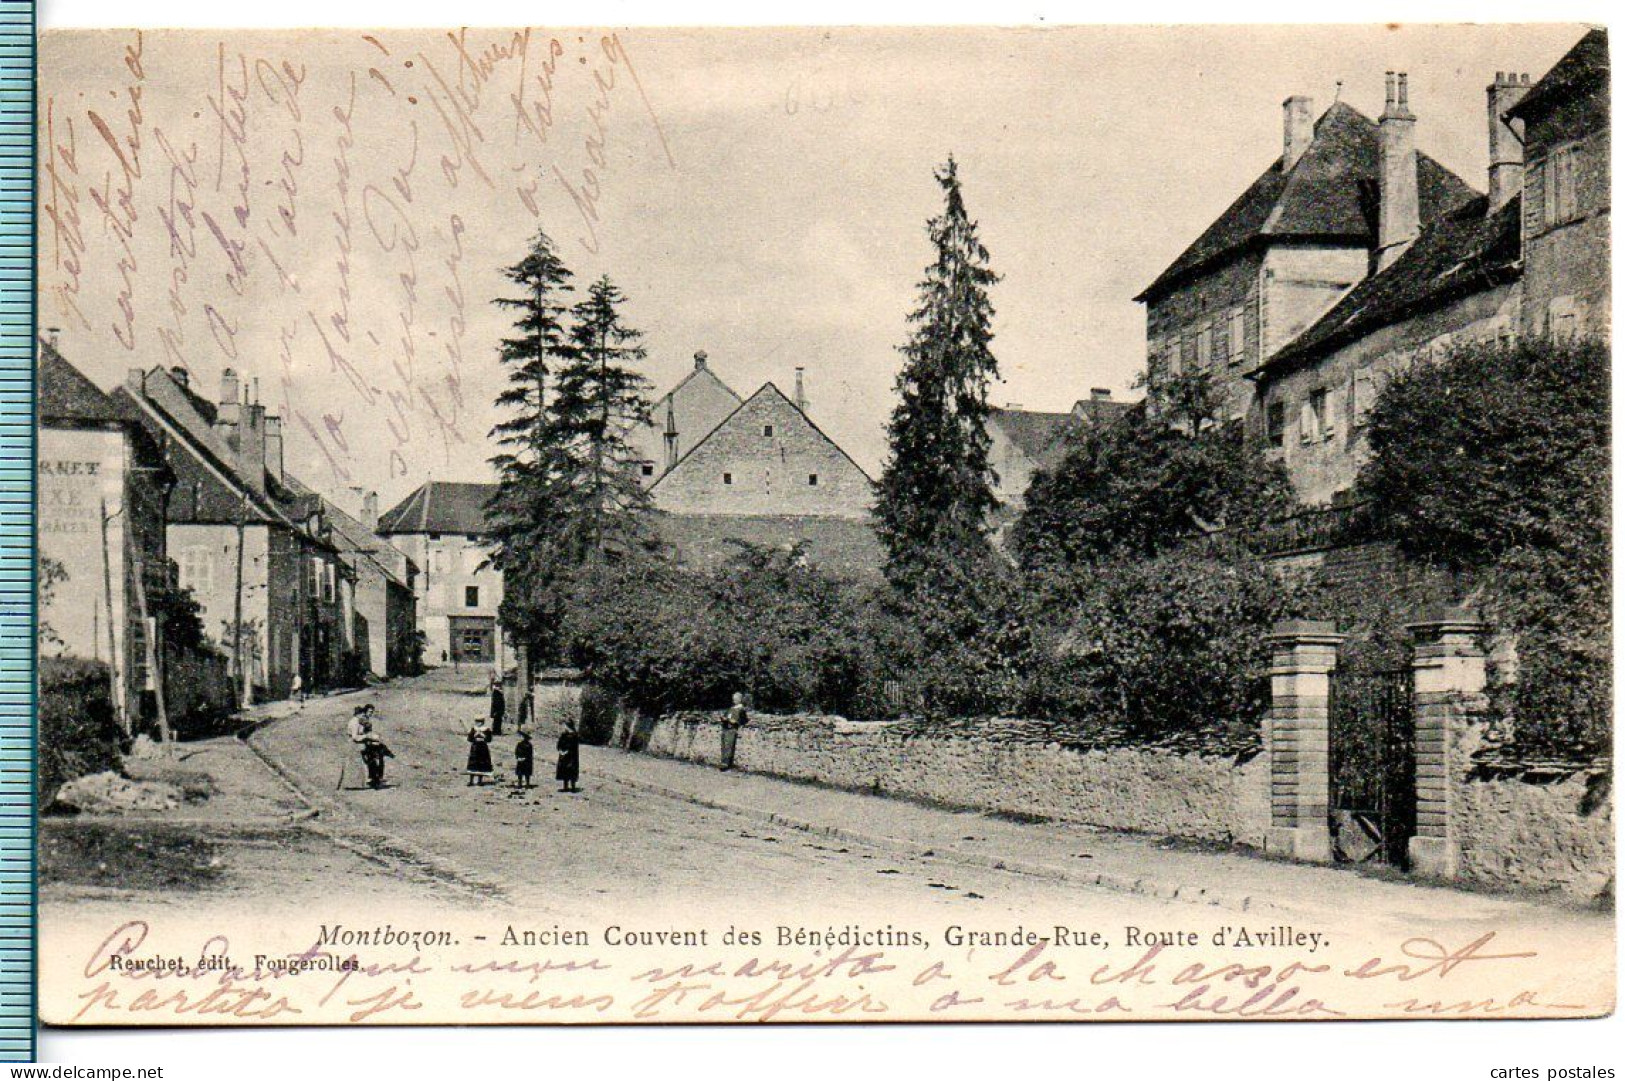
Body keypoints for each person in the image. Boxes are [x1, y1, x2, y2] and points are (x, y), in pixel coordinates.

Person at [349, 704, 393, 789]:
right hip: (359, 744)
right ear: (360, 714)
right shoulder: (357, 721)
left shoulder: (360, 720)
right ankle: (374, 779)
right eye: (369, 712)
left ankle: (376, 778)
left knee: (379, 753)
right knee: (375, 756)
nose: (370, 714)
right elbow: (356, 736)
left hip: (364, 743)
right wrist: (368, 737)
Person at [720, 692, 748, 771]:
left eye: (735, 699)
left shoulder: (741, 709)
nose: (734, 700)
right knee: (724, 746)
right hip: (726, 727)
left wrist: (735, 722)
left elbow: (743, 720)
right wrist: (724, 718)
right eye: (733, 699)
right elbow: (725, 716)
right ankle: (724, 762)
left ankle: (726, 764)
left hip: (732, 729)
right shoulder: (731, 708)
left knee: (729, 746)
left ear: (739, 700)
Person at [466, 717, 494, 786]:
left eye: (480, 722)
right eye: (477, 721)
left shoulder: (487, 729)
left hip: (483, 748)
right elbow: (469, 739)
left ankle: (480, 780)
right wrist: (474, 735)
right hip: (475, 747)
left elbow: (489, 740)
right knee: (473, 763)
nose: (478, 723)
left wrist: (483, 736)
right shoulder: (473, 729)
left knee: (482, 763)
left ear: (483, 722)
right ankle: (471, 781)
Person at [556, 717, 581, 793]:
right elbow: (559, 744)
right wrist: (560, 750)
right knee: (564, 770)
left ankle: (573, 787)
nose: (564, 727)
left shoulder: (574, 736)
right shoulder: (563, 735)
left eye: (565, 726)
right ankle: (565, 786)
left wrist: (567, 751)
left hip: (571, 756)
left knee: (571, 770)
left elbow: (573, 747)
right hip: (563, 755)